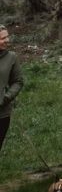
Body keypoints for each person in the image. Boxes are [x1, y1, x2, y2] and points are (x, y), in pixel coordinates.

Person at [0, 25, 22, 153]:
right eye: (3, 38)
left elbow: (18, 81)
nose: (7, 40)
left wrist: (6, 97)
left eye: (7, 37)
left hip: (2, 113)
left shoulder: (11, 57)